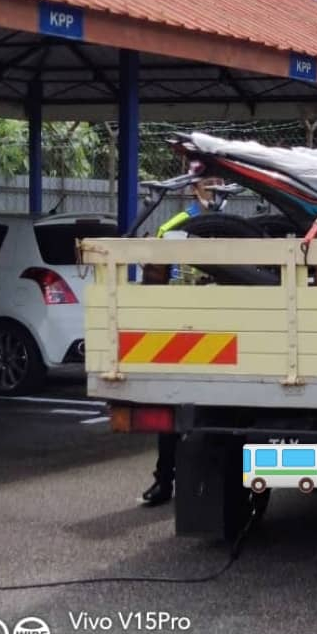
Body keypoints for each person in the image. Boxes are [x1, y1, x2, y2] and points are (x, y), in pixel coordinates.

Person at [140, 177, 224, 507]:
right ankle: (164, 481)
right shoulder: (179, 224)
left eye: (220, 181)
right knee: (175, 408)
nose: (215, 188)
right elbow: (156, 273)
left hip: (226, 327)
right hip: (185, 329)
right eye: (208, 183)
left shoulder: (239, 225)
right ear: (195, 189)